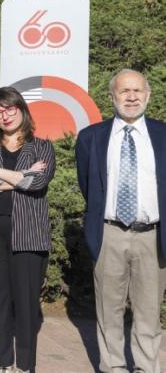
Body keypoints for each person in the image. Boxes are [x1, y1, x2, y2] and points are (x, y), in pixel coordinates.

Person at [75, 69, 166, 373]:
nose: (131, 97)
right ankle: (113, 367)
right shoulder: (91, 138)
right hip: (109, 233)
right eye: (124, 91)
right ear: (112, 96)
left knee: (149, 313)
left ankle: (145, 368)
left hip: (152, 236)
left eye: (137, 91)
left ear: (148, 95)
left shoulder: (164, 135)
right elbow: (89, 186)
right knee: (108, 310)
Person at [0, 87, 55, 373]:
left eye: (9, 109)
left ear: (21, 108)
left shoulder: (42, 147)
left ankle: (25, 366)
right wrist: (23, 175)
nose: (4, 116)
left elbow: (36, 184)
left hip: (28, 236)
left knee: (27, 305)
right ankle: (6, 363)